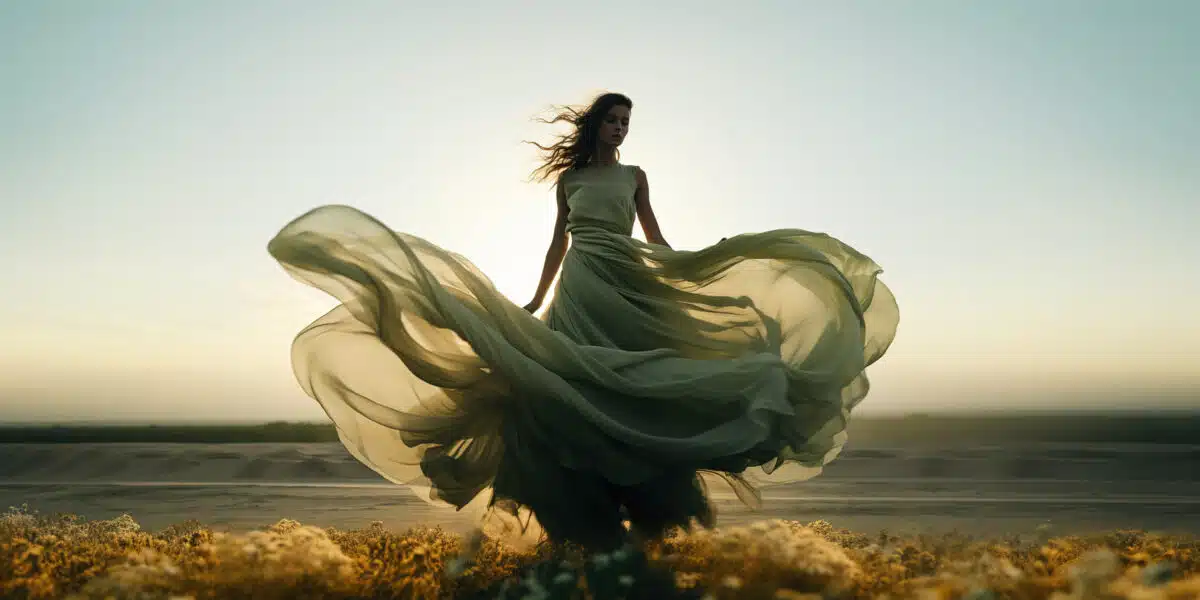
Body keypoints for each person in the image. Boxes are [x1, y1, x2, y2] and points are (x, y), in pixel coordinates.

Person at [267, 91, 899, 552]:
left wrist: (688, 274)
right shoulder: (569, 180)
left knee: (634, 386)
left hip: (626, 279)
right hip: (579, 285)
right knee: (565, 389)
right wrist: (538, 300)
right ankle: (578, 518)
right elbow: (557, 245)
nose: (622, 130)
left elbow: (654, 235)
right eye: (614, 120)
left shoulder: (635, 176)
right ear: (596, 123)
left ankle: (633, 509)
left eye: (629, 123)